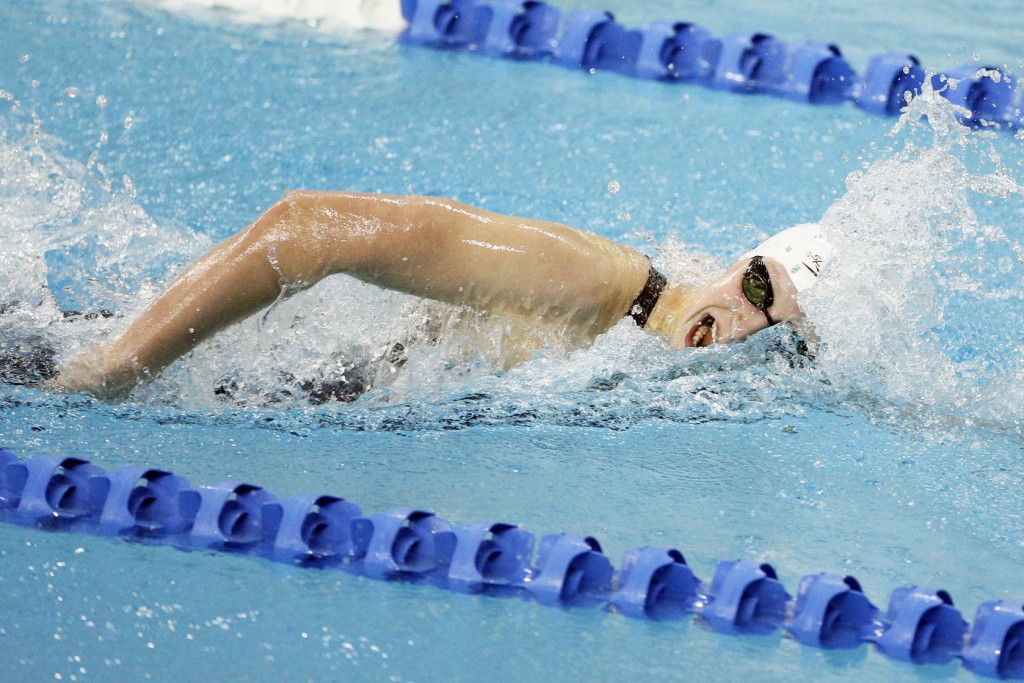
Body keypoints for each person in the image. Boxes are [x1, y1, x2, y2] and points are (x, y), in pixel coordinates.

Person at [52, 191, 833, 399]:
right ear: (743, 261)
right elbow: (310, 226)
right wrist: (116, 367)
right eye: (757, 285)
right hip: (237, 378)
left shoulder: (645, 361)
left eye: (775, 331)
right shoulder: (593, 283)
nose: (738, 323)